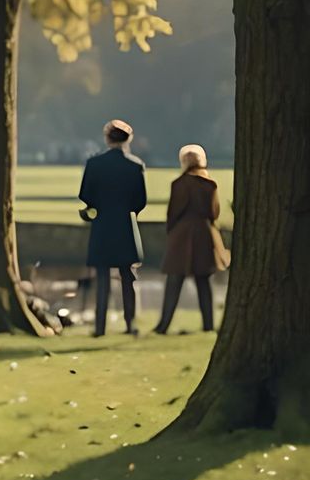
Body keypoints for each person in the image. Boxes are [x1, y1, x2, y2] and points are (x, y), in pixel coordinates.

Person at [78, 117, 147, 336]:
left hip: (103, 224)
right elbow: (140, 201)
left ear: (107, 139)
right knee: (128, 276)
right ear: (128, 139)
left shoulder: (94, 164)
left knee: (102, 278)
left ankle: (99, 327)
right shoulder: (135, 166)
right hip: (125, 224)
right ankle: (130, 324)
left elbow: (85, 194)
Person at [154, 142, 229, 334]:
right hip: (204, 234)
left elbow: (173, 213)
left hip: (182, 234)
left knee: (174, 282)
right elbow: (214, 213)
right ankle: (208, 325)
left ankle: (163, 324)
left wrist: (171, 232)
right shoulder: (210, 184)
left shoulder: (179, 184)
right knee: (204, 283)